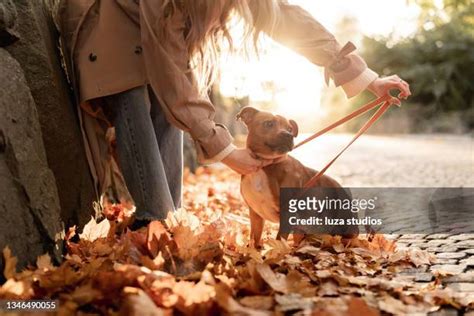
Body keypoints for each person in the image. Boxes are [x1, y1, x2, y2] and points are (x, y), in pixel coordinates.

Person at [58, 0, 411, 229]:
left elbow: (288, 20)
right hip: (105, 22)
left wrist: (367, 78)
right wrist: (225, 150)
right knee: (135, 91)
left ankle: (169, 220)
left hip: (157, 28)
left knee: (171, 108)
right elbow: (171, 75)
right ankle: (153, 219)